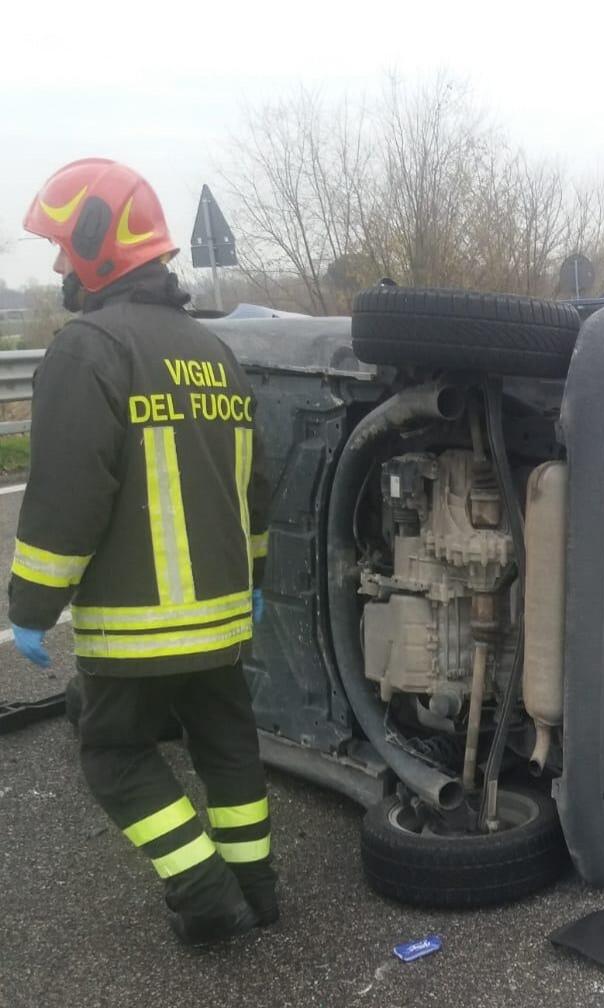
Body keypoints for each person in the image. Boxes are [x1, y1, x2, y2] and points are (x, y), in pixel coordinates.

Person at [10, 159, 276, 945]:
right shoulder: (214, 352)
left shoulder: (88, 350)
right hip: (224, 618)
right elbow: (256, 487)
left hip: (137, 627)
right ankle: (258, 890)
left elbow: (65, 499)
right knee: (228, 749)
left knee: (115, 755)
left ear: (100, 243)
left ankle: (203, 895)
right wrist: (253, 576)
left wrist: (30, 607)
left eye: (63, 245)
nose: (59, 263)